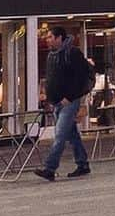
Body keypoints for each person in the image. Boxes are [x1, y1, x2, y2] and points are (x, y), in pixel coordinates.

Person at [35, 26, 91, 181]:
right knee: (72, 135)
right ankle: (83, 164)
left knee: (59, 135)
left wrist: (70, 97)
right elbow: (52, 78)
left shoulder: (72, 54)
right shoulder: (52, 55)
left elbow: (80, 78)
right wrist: (51, 98)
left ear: (59, 38)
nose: (47, 40)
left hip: (69, 101)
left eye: (50, 37)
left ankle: (50, 168)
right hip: (58, 102)